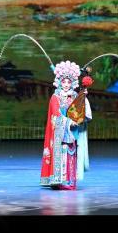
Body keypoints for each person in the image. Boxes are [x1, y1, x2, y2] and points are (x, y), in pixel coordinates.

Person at [40, 60, 81, 190]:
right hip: (60, 132)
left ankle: (70, 180)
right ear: (59, 82)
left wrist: (77, 119)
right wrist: (69, 122)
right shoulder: (55, 97)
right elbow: (56, 115)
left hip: (71, 132)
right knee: (62, 154)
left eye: (69, 82)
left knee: (70, 154)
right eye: (64, 82)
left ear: (72, 83)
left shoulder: (74, 96)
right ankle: (59, 180)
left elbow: (78, 112)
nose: (66, 84)